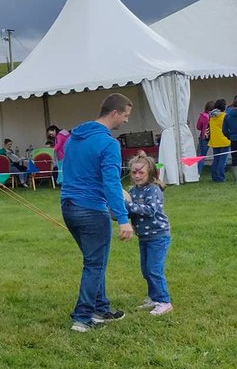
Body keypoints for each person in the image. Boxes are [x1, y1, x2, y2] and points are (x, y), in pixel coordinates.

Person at [59, 93, 134, 332]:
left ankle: (101, 308)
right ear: (114, 113)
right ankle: (82, 318)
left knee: (95, 261)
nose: (126, 120)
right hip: (91, 210)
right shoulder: (109, 144)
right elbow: (110, 183)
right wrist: (123, 219)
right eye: (125, 115)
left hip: (69, 207)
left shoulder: (73, 138)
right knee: (94, 264)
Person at [122, 152, 172, 315]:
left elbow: (150, 210)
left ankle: (164, 301)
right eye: (134, 172)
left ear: (149, 173)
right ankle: (154, 297)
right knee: (146, 269)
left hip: (158, 236)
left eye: (141, 172)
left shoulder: (153, 190)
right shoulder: (133, 191)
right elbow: (131, 212)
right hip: (144, 237)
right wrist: (119, 211)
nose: (137, 176)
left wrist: (128, 206)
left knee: (154, 269)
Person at [206, 98, 230, 183]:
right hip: (224, 140)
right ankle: (220, 177)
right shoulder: (224, 116)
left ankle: (214, 176)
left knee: (216, 160)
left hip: (214, 141)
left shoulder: (211, 116)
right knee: (222, 161)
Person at [194, 101, 213, 177]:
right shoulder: (214, 116)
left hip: (204, 137)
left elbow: (198, 127)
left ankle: (197, 172)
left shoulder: (203, 116)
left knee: (201, 155)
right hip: (214, 137)